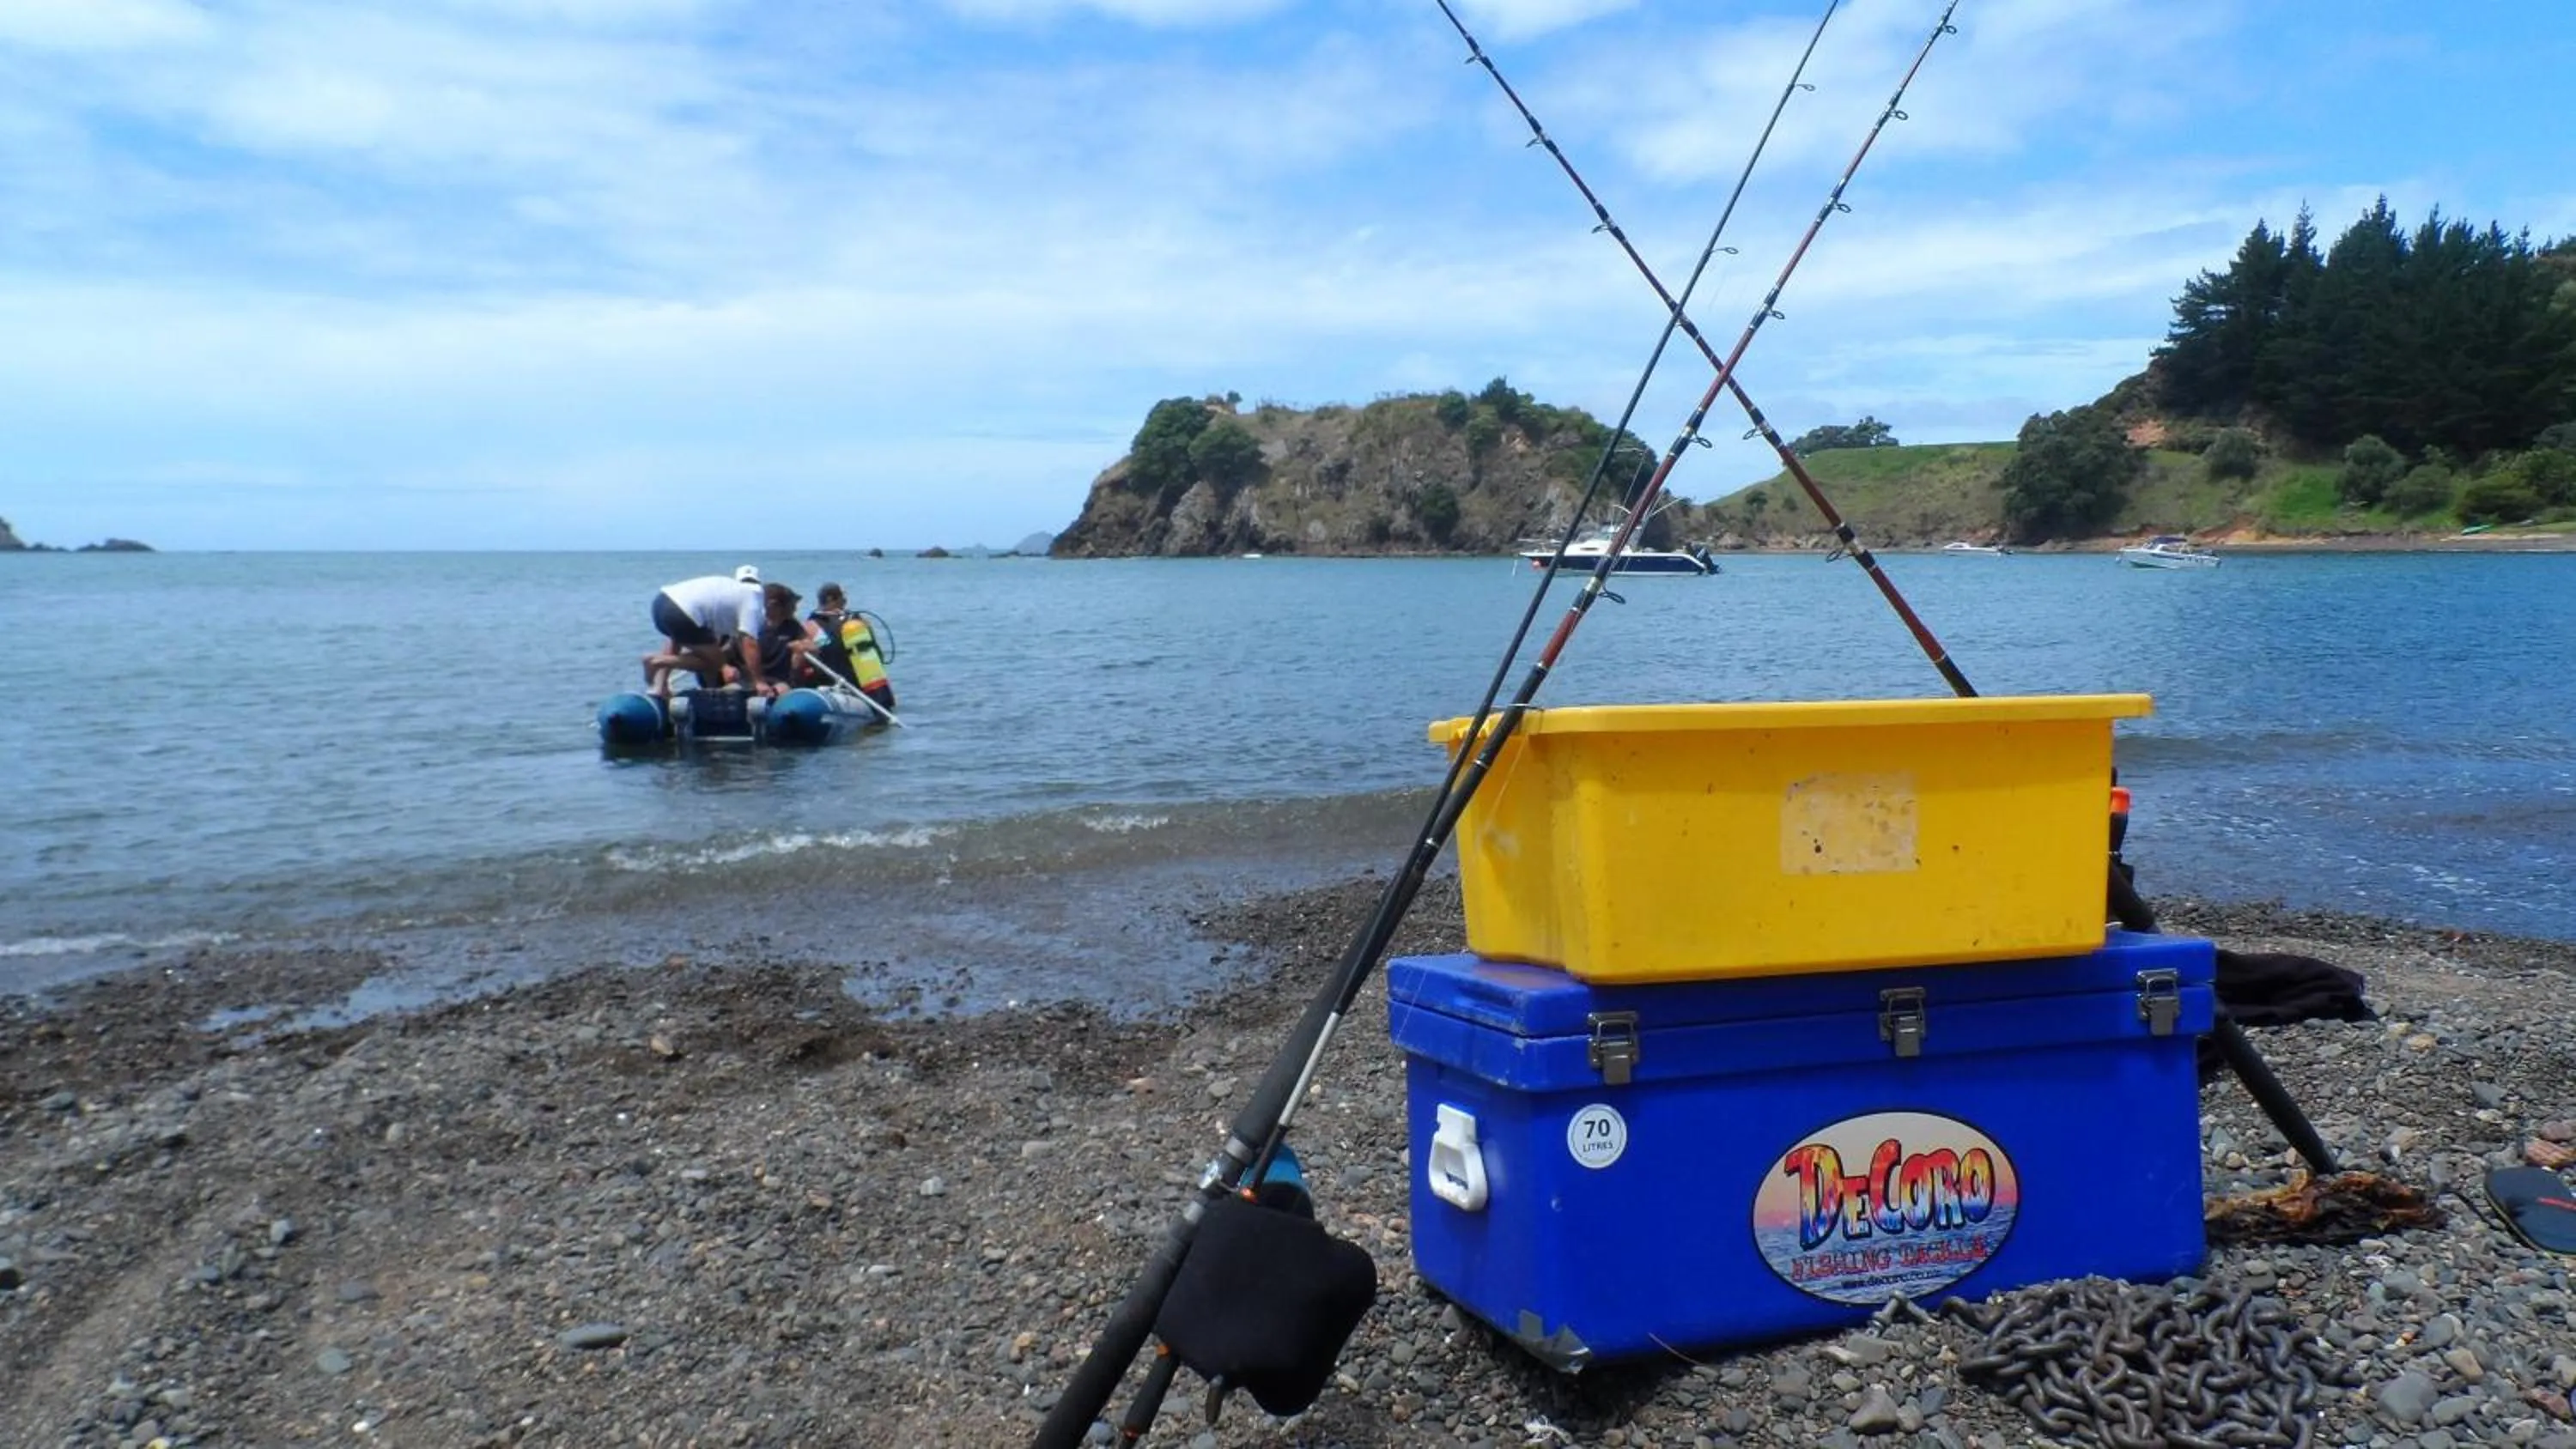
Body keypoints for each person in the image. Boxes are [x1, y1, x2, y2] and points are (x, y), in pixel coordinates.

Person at [643, 566, 769, 699]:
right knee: (713, 664)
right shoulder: (753, 600)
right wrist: (759, 682)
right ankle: (656, 661)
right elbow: (749, 643)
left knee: (679, 641)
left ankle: (660, 687)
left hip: (661, 603)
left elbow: (677, 641)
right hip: (683, 612)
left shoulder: (730, 592)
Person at [799, 581, 896, 715]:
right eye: (843, 597)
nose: (845, 600)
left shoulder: (810, 625)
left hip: (831, 686)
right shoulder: (860, 621)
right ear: (831, 599)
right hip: (864, 686)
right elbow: (878, 655)